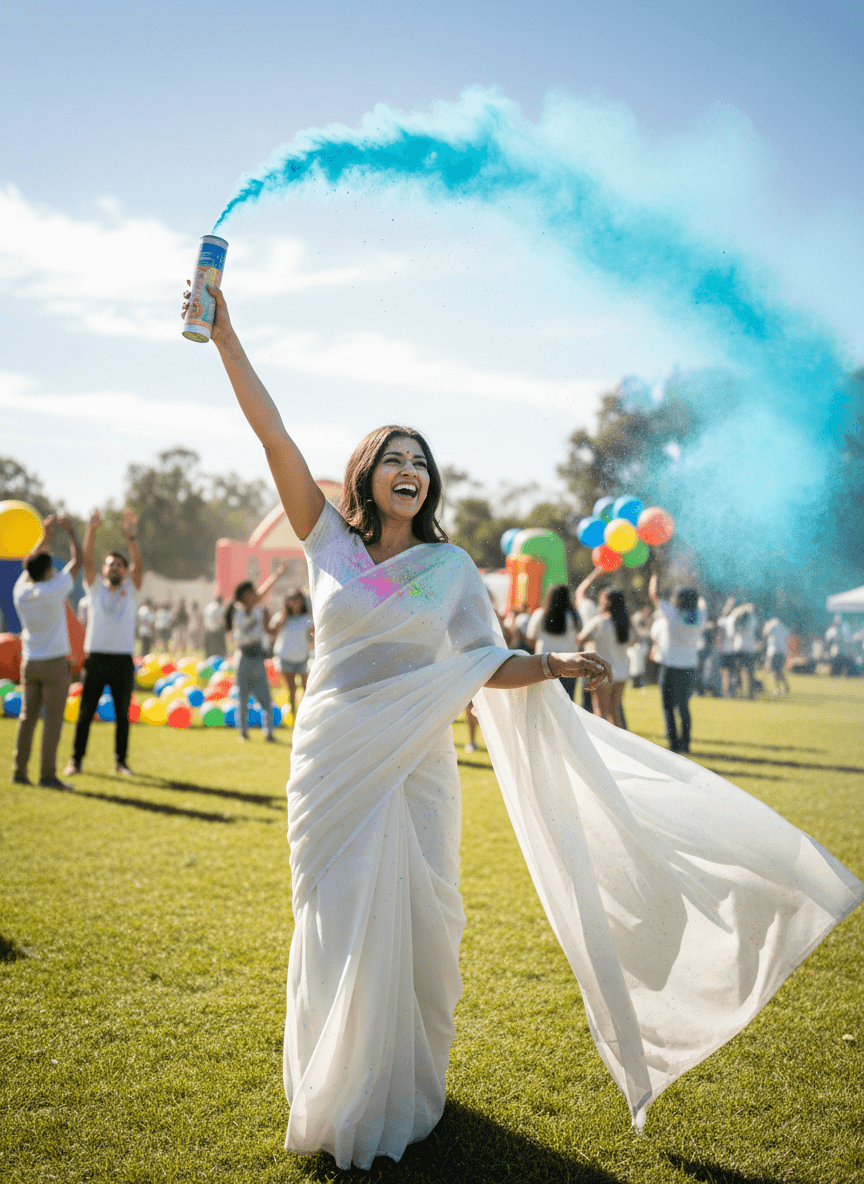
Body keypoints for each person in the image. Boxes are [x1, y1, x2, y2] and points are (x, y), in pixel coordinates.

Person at [189, 279, 863, 1172]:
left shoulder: (453, 568)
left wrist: (552, 664)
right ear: (364, 473)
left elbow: (482, 662)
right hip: (333, 760)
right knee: (338, 915)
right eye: (393, 456)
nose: (410, 469)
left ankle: (395, 1082)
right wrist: (230, 335)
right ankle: (334, 1080)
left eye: (421, 461)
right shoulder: (329, 546)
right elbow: (273, 434)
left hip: (418, 772)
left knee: (417, 921)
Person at [64, 508, 142, 778]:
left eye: (120, 565)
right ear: (104, 569)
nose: (114, 568)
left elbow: (139, 568)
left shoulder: (131, 591)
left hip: (122, 660)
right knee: (86, 713)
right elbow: (86, 561)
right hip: (96, 658)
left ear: (125, 570)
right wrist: (91, 530)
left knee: (122, 715)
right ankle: (76, 761)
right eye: (110, 564)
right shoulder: (94, 587)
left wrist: (132, 539)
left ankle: (121, 762)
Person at [12, 514, 82, 788]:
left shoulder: (21, 591)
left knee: (27, 719)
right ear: (48, 571)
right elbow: (79, 562)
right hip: (54, 664)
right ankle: (47, 776)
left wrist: (45, 538)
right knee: (52, 722)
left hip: (30, 663)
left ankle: (19, 772)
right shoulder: (55, 589)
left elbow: (30, 564)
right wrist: (71, 531)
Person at [225, 562, 288, 742]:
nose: (254, 595)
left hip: (257, 657)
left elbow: (264, 592)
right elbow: (260, 594)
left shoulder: (260, 610)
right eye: (250, 593)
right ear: (243, 596)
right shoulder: (237, 610)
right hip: (243, 657)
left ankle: (268, 732)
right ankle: (243, 732)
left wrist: (276, 575)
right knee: (243, 697)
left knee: (265, 697)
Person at [649, 572, 706, 754]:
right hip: (689, 667)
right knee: (684, 706)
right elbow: (702, 600)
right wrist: (697, 583)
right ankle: (686, 743)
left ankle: (674, 744)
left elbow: (653, 595)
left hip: (670, 666)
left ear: (678, 600)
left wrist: (654, 576)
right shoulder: (700, 617)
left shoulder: (672, 614)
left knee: (668, 706)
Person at [578, 587, 631, 726]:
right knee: (614, 711)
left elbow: (580, 639)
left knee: (600, 712)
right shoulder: (625, 623)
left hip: (602, 671)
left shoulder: (599, 621)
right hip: (621, 672)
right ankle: (619, 745)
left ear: (607, 602)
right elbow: (633, 641)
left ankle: (601, 746)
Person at [526, 584, 582, 699]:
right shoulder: (573, 615)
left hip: (545, 661)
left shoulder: (541, 614)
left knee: (546, 698)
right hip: (569, 661)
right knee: (568, 699)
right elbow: (580, 631)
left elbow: (530, 637)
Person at [268, 590, 313, 718]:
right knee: (292, 688)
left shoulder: (307, 618)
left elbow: (312, 635)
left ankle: (306, 713)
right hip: (285, 657)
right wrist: (283, 618)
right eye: (292, 600)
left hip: (303, 657)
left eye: (298, 599)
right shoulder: (281, 617)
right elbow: (272, 632)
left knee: (306, 687)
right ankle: (293, 712)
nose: (296, 603)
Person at [763, 616, 790, 696]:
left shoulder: (772, 627)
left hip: (773, 651)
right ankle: (785, 685)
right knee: (780, 671)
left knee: (774, 671)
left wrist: (766, 626)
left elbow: (765, 634)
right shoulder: (784, 628)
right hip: (782, 652)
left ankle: (777, 688)